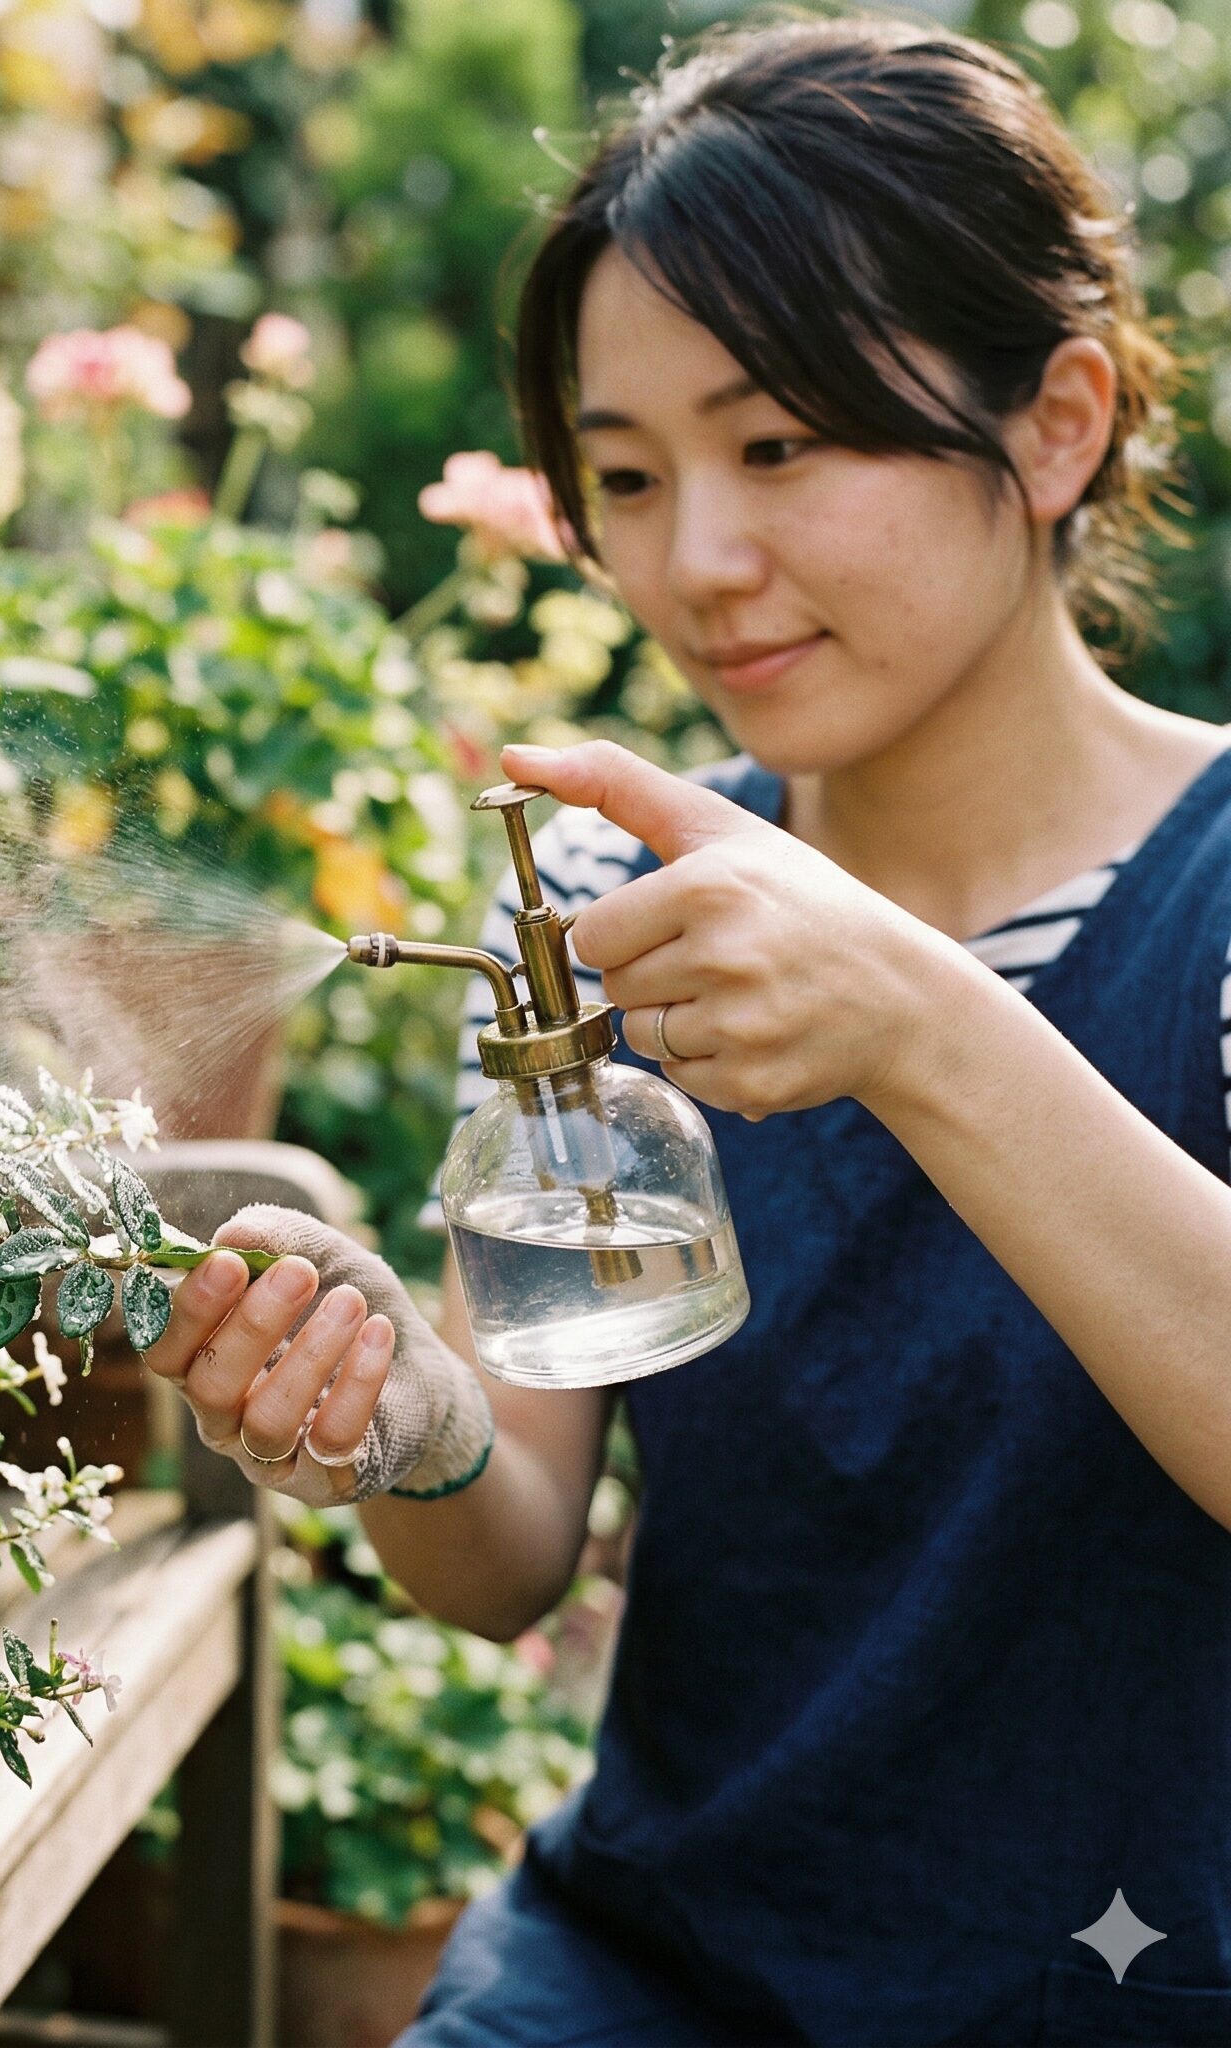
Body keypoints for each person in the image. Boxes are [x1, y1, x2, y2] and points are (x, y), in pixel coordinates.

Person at [136, 15, 1231, 2044]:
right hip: (654, 1974)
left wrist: (916, 1019)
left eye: (780, 446)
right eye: (623, 478)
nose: (695, 565)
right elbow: (508, 1553)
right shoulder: (594, 902)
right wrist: (391, 1413)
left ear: (1059, 422)